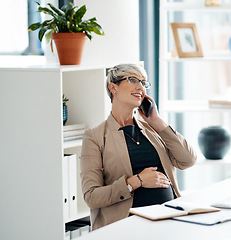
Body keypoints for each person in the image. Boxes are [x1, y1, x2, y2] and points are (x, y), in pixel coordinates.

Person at [80, 63, 197, 230]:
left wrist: (157, 121)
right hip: (126, 227)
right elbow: (92, 197)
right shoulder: (95, 137)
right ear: (113, 87)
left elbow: (188, 160)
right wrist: (136, 181)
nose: (140, 87)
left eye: (144, 82)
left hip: (169, 220)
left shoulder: (152, 129)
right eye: (133, 80)